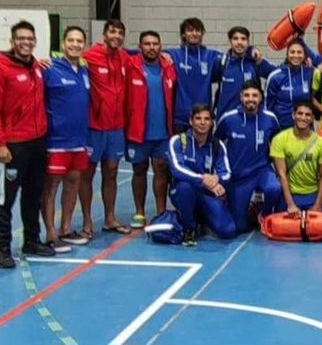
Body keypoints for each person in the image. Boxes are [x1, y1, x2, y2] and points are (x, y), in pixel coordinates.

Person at [0, 21, 54, 268]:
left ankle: (31, 240)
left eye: (30, 38)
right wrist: (0, 143)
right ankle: (3, 249)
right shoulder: (0, 69)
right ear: (12, 41)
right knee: (4, 199)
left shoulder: (36, 67)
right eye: (21, 38)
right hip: (13, 146)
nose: (26, 42)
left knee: (33, 194)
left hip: (38, 142)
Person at [41, 26, 91, 253]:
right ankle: (51, 234)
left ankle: (66, 228)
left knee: (73, 183)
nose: (75, 44)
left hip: (79, 141)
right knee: (51, 187)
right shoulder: (49, 68)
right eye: (71, 40)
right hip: (56, 141)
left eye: (80, 41)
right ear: (63, 44)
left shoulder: (83, 70)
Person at [81, 19, 130, 237]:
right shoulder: (89, 56)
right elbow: (65, 61)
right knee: (87, 174)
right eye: (112, 32)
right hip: (94, 127)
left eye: (120, 33)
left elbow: (144, 57)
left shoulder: (124, 58)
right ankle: (87, 221)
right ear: (104, 34)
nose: (116, 36)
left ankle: (109, 218)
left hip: (116, 127)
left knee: (111, 172)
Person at [125, 31, 176, 228]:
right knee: (139, 170)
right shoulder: (130, 65)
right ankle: (139, 212)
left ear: (161, 46)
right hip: (138, 132)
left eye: (155, 44)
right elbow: (119, 51)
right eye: (147, 44)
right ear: (140, 46)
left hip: (163, 132)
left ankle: (161, 211)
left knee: (161, 171)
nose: (151, 47)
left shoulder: (169, 67)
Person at [216, 81, 282, 233]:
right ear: (241, 97)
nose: (250, 99)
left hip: (262, 171)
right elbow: (216, 144)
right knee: (239, 227)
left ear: (260, 98)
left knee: (274, 188)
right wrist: (221, 174)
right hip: (239, 176)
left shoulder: (270, 118)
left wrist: (278, 170)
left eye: (254, 95)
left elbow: (277, 143)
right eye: (246, 95)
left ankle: (263, 215)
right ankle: (250, 211)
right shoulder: (229, 119)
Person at [167, 104, 236, 246]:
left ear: (212, 122)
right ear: (191, 121)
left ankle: (199, 217)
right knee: (185, 188)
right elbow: (177, 169)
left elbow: (227, 173)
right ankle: (188, 228)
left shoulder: (217, 145)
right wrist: (203, 180)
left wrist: (217, 179)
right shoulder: (178, 141)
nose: (203, 122)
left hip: (207, 192)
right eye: (198, 118)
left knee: (228, 231)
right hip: (182, 191)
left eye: (207, 119)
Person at [164, 18, 223, 132]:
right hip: (180, 119)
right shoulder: (174, 54)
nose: (194, 33)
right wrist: (161, 55)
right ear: (183, 34)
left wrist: (251, 50)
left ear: (202, 34)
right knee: (181, 149)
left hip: (203, 118)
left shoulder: (211, 56)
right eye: (190, 30)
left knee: (203, 149)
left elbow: (235, 55)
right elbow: (142, 52)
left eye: (198, 30)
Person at [271, 102, 322, 215]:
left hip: (312, 195)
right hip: (289, 195)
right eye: (300, 113)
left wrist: (317, 204)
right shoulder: (279, 139)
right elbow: (281, 174)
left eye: (307, 115)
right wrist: (290, 204)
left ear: (312, 118)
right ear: (293, 115)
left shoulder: (321, 143)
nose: (303, 118)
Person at [216, 26, 276, 119]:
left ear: (248, 42)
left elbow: (279, 73)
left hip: (252, 120)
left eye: (243, 39)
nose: (239, 42)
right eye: (235, 39)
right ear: (229, 41)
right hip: (225, 121)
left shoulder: (255, 62)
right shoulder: (222, 62)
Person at [265, 41, 314, 129]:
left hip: (305, 129)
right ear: (287, 54)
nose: (296, 55)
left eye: (299, 52)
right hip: (281, 129)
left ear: (304, 55)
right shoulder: (276, 76)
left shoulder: (311, 74)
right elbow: (267, 107)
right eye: (292, 52)